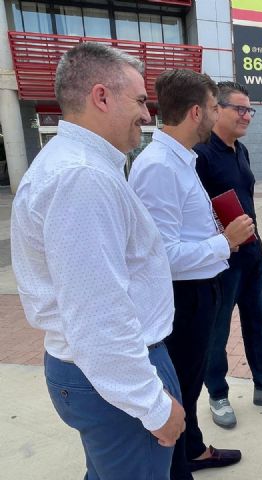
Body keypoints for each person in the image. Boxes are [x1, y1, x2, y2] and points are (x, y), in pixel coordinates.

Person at [11, 43, 186, 479]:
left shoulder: (81, 166)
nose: (147, 116)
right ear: (101, 97)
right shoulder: (82, 177)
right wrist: (152, 404)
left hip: (100, 373)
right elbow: (98, 314)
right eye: (142, 101)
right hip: (115, 375)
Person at [129, 70, 253, 479]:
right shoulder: (159, 167)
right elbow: (160, 255)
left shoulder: (182, 159)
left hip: (203, 287)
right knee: (180, 383)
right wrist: (226, 241)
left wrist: (217, 232)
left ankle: (193, 448)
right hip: (185, 296)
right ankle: (179, 462)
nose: (218, 115)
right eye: (216, 107)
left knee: (191, 379)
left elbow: (181, 230)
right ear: (197, 111)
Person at [194, 81, 262, 429]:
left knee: (259, 320)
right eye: (239, 109)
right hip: (222, 260)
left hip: (253, 254)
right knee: (216, 330)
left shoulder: (240, 150)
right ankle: (217, 393)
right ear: (217, 110)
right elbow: (196, 213)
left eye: (249, 110)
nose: (246, 116)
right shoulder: (201, 154)